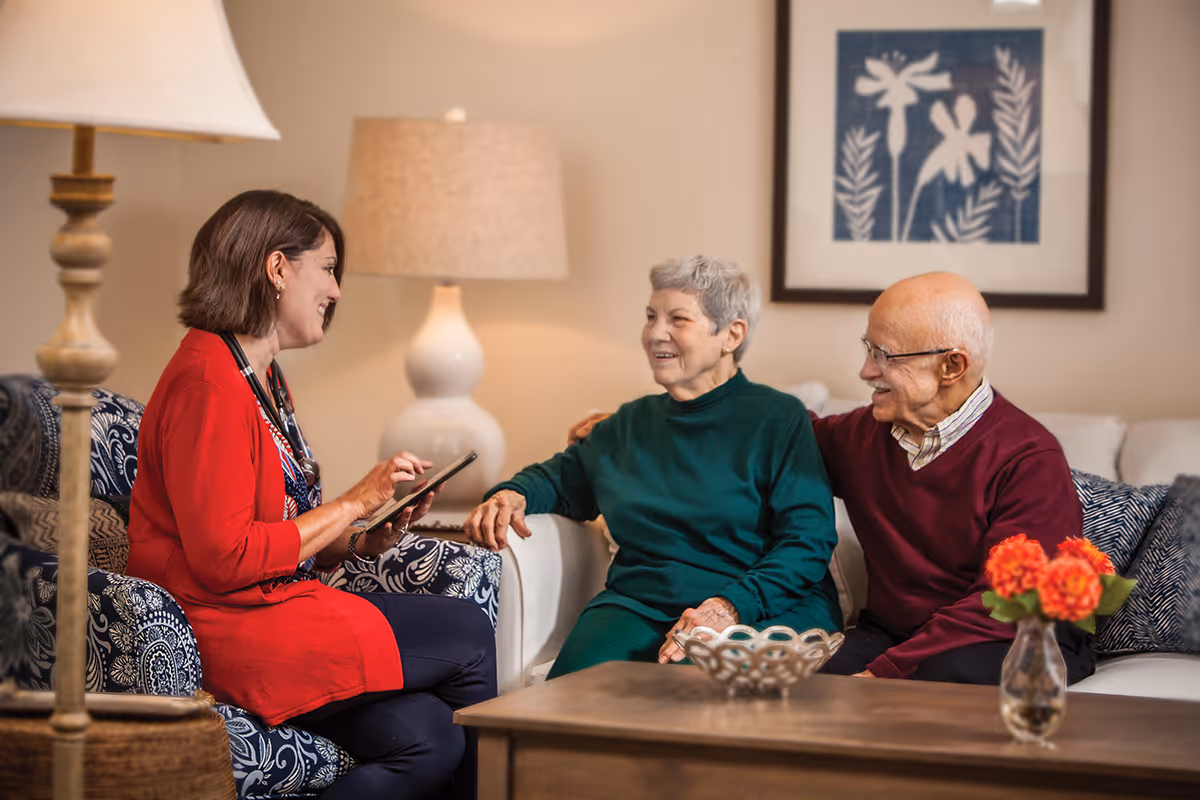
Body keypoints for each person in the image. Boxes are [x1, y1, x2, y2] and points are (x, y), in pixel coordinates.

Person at [126, 190, 496, 800]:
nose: (336, 290)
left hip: (274, 606)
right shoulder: (207, 383)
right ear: (278, 269)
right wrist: (352, 501)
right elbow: (223, 559)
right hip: (225, 625)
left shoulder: (261, 375)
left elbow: (282, 528)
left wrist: (360, 537)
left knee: (429, 738)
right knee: (465, 631)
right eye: (326, 269)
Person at [464, 255, 841, 678]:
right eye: (650, 317)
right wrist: (512, 493)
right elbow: (559, 480)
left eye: (677, 319)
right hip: (640, 605)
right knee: (561, 707)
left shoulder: (779, 419)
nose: (654, 334)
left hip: (761, 605)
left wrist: (729, 607)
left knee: (717, 705)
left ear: (731, 335)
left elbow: (807, 541)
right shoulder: (626, 425)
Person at [814, 272, 1095, 683]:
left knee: (942, 677)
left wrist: (884, 674)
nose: (865, 371)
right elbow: (779, 437)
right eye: (868, 349)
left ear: (951, 366)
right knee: (809, 685)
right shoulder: (861, 435)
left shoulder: (1030, 458)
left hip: (1011, 636)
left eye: (884, 355)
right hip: (893, 632)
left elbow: (1006, 601)